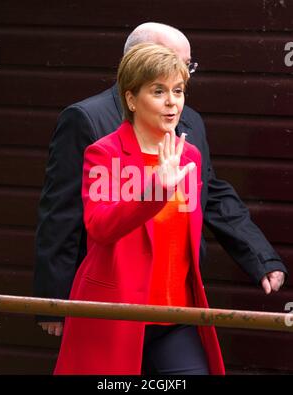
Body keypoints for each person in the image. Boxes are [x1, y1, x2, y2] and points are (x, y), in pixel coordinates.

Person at [34, 22, 287, 339]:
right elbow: (61, 215)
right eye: (173, 60)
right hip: (113, 296)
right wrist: (53, 302)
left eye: (187, 65)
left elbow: (213, 194)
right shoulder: (86, 119)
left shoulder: (189, 120)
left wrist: (260, 257)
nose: (182, 74)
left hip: (173, 297)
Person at [54, 43, 225, 375]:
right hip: (116, 316)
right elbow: (100, 226)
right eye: (158, 91)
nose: (172, 101)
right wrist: (155, 190)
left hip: (177, 315)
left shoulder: (188, 156)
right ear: (131, 99)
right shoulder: (103, 154)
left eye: (177, 90)